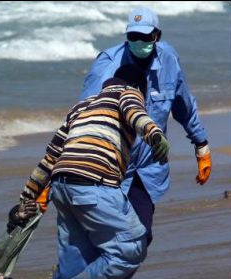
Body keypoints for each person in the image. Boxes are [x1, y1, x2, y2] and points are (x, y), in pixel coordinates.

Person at [13, 64, 169, 279]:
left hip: (61, 187)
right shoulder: (126, 93)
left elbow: (49, 159)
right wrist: (154, 135)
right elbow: (135, 113)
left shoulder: (80, 107)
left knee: (73, 263)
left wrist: (25, 200)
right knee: (130, 247)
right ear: (137, 87)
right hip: (94, 183)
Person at [80, 6, 212, 246]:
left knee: (141, 237)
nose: (139, 41)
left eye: (145, 36)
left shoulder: (169, 60)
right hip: (111, 170)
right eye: (133, 37)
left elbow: (183, 104)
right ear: (126, 37)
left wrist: (201, 144)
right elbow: (82, 118)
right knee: (106, 242)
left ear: (157, 36)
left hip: (148, 169)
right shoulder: (107, 65)